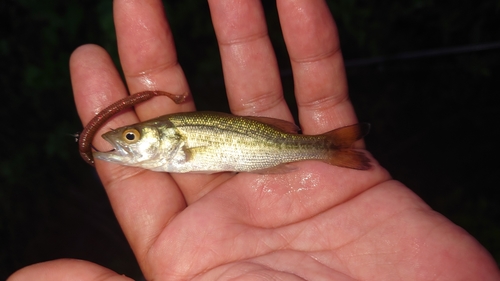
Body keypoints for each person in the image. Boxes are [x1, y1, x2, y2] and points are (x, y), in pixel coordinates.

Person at [9, 0, 499, 280]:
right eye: (129, 136)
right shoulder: (165, 152)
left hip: (277, 145)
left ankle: (330, 147)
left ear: (160, 136)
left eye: (133, 135)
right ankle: (331, 148)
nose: (125, 141)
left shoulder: (175, 144)